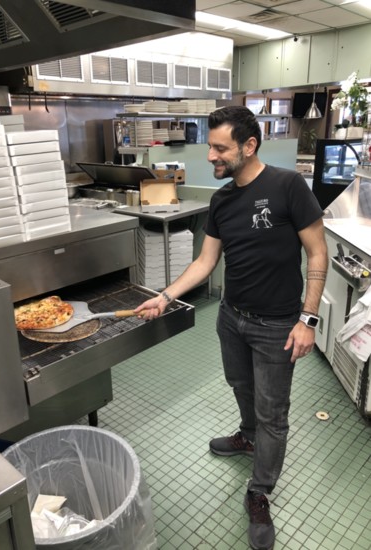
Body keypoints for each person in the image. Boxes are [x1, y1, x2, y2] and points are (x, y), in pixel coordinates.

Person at [134, 105, 328, 550]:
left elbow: (318, 253)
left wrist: (308, 319)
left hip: (279, 325)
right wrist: (165, 297)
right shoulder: (222, 200)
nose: (212, 158)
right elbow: (206, 261)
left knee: (272, 412)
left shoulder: (288, 186)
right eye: (211, 148)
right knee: (240, 386)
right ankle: (247, 438)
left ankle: (259, 492)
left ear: (249, 146)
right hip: (232, 318)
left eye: (221, 149)